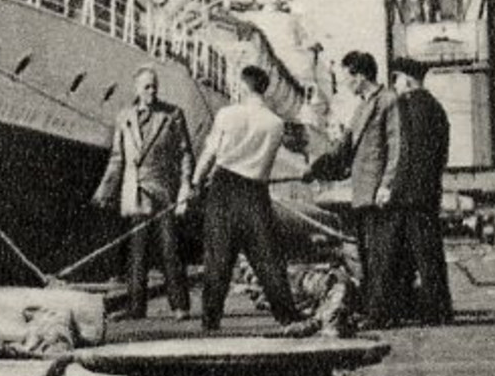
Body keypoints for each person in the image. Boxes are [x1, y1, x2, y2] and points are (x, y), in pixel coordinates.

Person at [190, 65, 303, 330]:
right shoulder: (275, 124)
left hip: (224, 188)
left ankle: (211, 319)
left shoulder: (228, 114)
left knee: (218, 258)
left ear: (243, 86)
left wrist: (195, 183)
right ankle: (286, 315)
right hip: (255, 192)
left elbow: (210, 154)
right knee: (267, 258)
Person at [305, 50, 404, 326]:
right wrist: (315, 170)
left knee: (380, 256)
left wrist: (387, 184)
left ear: (359, 75)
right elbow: (344, 149)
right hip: (362, 192)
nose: (346, 83)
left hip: (378, 193)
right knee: (367, 255)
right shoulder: (363, 106)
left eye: (347, 76)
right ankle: (375, 310)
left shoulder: (388, 101)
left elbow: (396, 146)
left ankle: (381, 314)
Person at [91, 66, 194, 320]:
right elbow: (117, 157)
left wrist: (185, 186)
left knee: (169, 248)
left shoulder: (172, 115)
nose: (152, 91)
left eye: (154, 86)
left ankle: (179, 305)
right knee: (137, 252)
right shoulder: (124, 117)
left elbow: (185, 154)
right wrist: (104, 191)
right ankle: (137, 307)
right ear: (137, 89)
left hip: (162, 190)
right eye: (147, 87)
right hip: (134, 189)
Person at [390, 56, 454, 324]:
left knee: (412, 254)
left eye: (396, 79)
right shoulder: (436, 108)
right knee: (429, 252)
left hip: (408, 193)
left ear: (405, 79)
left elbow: (404, 153)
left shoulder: (407, 107)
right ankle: (438, 308)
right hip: (428, 191)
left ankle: (428, 310)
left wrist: (393, 188)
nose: (394, 84)